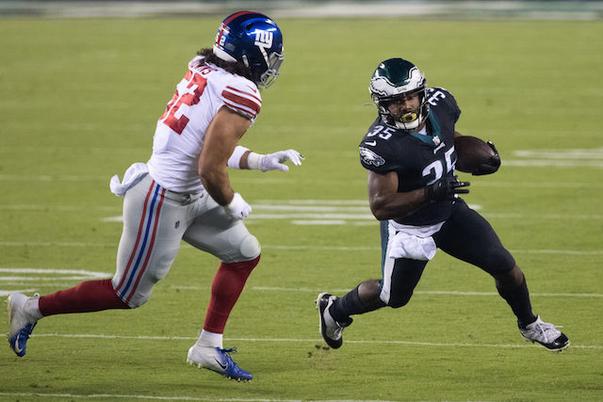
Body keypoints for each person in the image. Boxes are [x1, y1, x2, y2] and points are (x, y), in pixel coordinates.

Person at [7, 11, 302, 382]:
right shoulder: (242, 91)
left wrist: (258, 160)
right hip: (162, 199)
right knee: (127, 293)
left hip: (189, 190)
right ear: (250, 54)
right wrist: (230, 201)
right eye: (270, 55)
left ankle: (208, 347)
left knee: (244, 254)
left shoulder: (205, 68)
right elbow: (210, 167)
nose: (272, 64)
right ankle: (30, 308)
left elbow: (198, 147)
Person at [316, 58, 569, 352]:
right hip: (410, 228)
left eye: (410, 96)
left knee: (504, 265)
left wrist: (480, 156)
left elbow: (450, 138)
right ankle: (335, 310)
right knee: (392, 297)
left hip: (449, 212)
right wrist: (428, 193)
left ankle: (530, 324)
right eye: (396, 101)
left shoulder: (440, 103)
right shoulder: (380, 143)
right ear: (382, 104)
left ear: (421, 93)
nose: (406, 105)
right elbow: (381, 206)